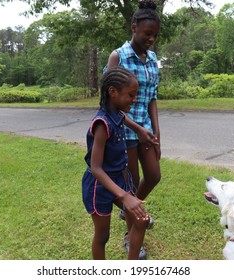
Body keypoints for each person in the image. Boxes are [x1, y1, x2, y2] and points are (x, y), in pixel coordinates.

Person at [105, 0, 161, 257]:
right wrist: (137, 128)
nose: (151, 39)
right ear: (133, 28)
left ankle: (128, 207)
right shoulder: (119, 56)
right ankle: (131, 234)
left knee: (153, 175)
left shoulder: (152, 59)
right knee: (130, 186)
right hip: (123, 132)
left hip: (145, 131)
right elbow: (110, 101)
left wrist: (155, 131)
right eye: (147, 34)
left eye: (155, 35)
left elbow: (151, 97)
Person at [82, 66, 150, 260]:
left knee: (141, 220)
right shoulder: (102, 124)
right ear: (113, 92)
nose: (134, 99)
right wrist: (125, 196)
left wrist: (139, 129)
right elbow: (96, 168)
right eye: (131, 95)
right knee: (103, 236)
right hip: (99, 186)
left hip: (119, 180)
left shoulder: (117, 114)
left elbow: (125, 119)